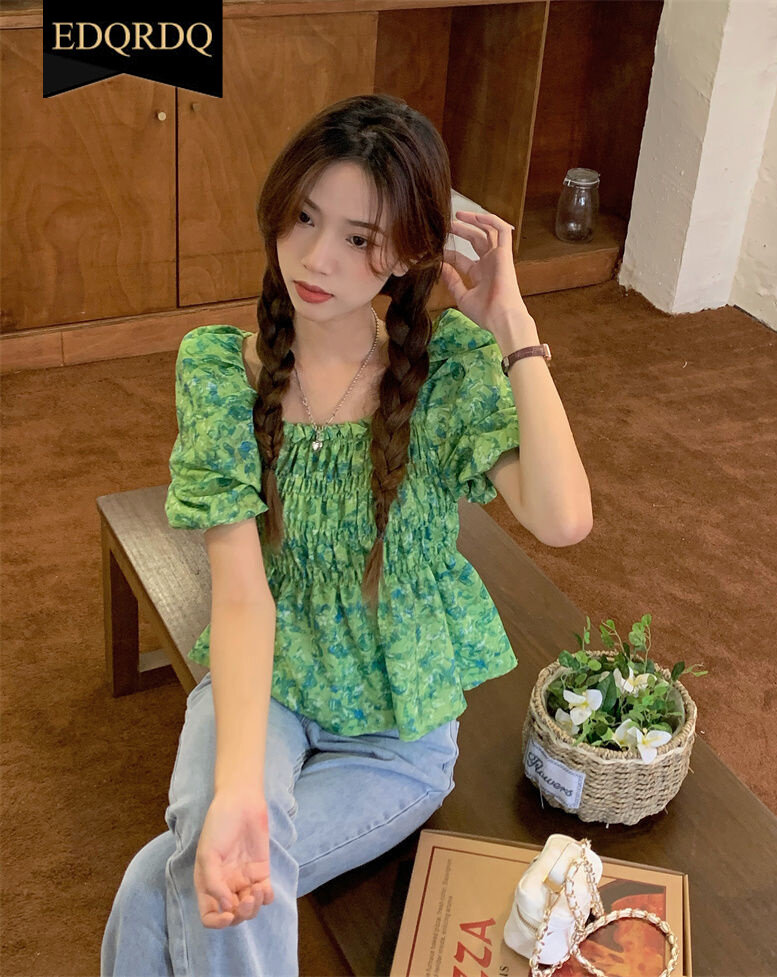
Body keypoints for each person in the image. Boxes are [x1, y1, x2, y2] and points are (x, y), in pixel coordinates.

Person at [101, 92, 592, 977]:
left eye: (360, 237)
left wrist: (514, 328)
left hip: (397, 737)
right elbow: (241, 596)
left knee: (158, 883)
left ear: (409, 251)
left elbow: (564, 518)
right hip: (268, 684)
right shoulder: (220, 373)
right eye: (303, 215)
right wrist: (239, 791)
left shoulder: (445, 372)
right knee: (226, 851)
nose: (317, 256)